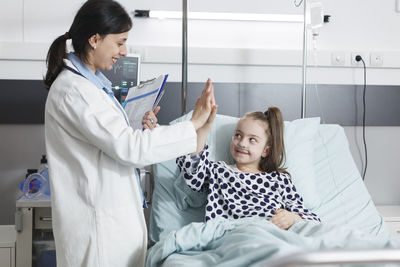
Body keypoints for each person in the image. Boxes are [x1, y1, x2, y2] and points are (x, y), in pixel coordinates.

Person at [43, 0, 217, 266]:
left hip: (111, 224)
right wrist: (193, 123)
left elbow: (111, 142)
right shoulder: (74, 91)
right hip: (98, 231)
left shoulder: (93, 86)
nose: (124, 51)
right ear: (94, 39)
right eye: (120, 42)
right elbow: (130, 148)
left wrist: (137, 124)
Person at [177, 106, 320, 230]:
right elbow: (193, 172)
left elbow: (312, 220)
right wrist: (204, 129)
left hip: (271, 233)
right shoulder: (218, 171)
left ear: (266, 151)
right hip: (233, 234)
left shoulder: (279, 180)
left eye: (252, 140)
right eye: (238, 135)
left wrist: (292, 218)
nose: (242, 143)